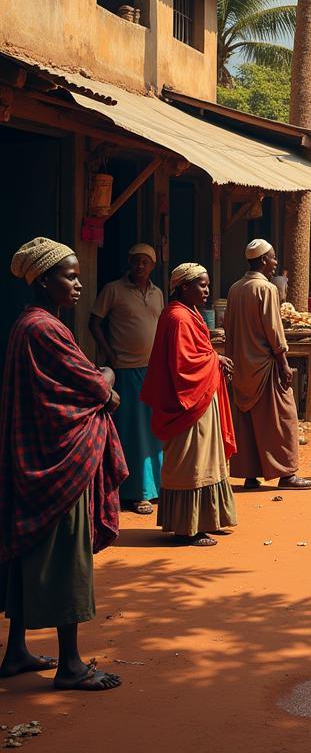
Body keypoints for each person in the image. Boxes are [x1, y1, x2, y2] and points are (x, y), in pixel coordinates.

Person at [1, 237, 128, 691]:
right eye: (69, 276)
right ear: (42, 280)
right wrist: (110, 377)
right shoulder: (46, 330)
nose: (77, 285)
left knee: (26, 552)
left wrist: (100, 381)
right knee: (65, 556)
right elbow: (95, 387)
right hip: (59, 462)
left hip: (33, 457)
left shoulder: (27, 325)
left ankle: (15, 650)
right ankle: (70, 665)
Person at [141, 264, 238, 547]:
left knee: (207, 458)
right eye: (202, 285)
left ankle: (209, 518)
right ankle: (188, 527)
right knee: (192, 462)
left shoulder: (188, 313)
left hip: (202, 396)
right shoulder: (178, 318)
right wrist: (215, 360)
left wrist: (213, 359)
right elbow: (183, 365)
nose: (207, 291)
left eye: (207, 285)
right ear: (183, 286)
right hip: (187, 401)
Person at [226, 239, 311, 491]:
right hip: (265, 366)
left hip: (241, 366)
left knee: (247, 421)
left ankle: (250, 474)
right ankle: (286, 474)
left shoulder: (235, 288)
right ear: (263, 260)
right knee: (283, 418)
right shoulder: (266, 290)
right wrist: (283, 363)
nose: (276, 264)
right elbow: (274, 330)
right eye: (273, 258)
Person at [89, 243, 165, 515]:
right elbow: (94, 322)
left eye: (146, 262)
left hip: (152, 369)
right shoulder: (113, 290)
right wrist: (109, 353)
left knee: (154, 430)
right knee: (132, 433)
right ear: (129, 263)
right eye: (136, 261)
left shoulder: (157, 293)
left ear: (153, 265)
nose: (140, 266)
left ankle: (157, 487)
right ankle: (137, 493)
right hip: (125, 369)